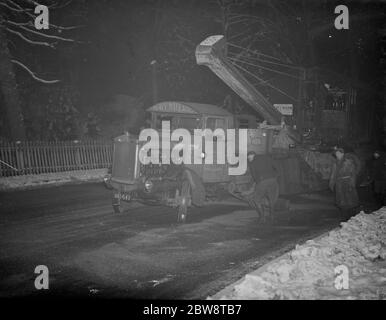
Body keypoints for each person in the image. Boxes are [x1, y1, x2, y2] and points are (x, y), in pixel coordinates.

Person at [241, 151, 279, 223]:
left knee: (256, 200)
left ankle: (262, 218)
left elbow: (254, 175)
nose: (249, 160)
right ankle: (272, 216)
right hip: (273, 181)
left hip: (262, 181)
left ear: (252, 155)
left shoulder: (253, 162)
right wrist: (275, 177)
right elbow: (276, 167)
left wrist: (258, 183)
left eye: (249, 158)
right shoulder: (267, 158)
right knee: (272, 199)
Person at [329, 147, 359, 220]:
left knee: (350, 201)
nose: (337, 155)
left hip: (348, 182)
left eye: (339, 153)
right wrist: (331, 183)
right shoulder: (335, 163)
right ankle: (344, 217)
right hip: (339, 184)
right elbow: (333, 174)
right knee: (341, 202)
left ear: (342, 153)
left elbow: (353, 173)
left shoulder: (348, 161)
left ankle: (352, 216)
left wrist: (352, 184)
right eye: (336, 154)